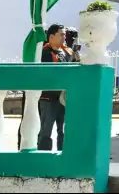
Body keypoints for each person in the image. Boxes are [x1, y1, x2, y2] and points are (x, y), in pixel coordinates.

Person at [38, 23, 71, 151]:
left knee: (63, 131)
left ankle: (63, 157)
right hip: (48, 98)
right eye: (61, 34)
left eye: (65, 34)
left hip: (64, 98)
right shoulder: (44, 53)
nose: (64, 37)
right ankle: (43, 161)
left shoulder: (66, 52)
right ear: (51, 37)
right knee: (45, 131)